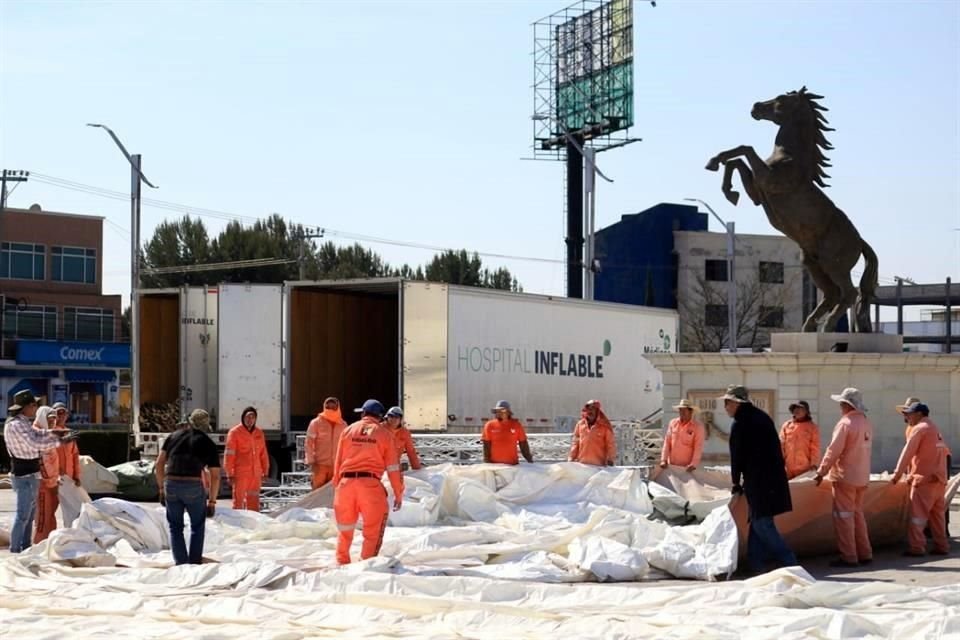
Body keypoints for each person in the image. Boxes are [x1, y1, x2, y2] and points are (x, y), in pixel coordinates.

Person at [724, 384, 797, 574]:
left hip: (758, 479)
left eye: (727, 403)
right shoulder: (762, 417)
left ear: (735, 403)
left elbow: (737, 456)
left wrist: (735, 482)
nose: (725, 407)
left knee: (761, 523)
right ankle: (755, 563)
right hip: (772, 477)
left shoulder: (740, 423)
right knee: (757, 519)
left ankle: (790, 561)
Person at [333, 399, 404, 565]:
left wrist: (338, 486)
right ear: (380, 417)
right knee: (373, 529)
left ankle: (341, 562)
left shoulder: (348, 430)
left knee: (345, 529)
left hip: (345, 485)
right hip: (370, 486)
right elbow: (393, 468)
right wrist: (398, 493)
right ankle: (366, 564)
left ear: (363, 413)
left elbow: (338, 461)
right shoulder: (384, 435)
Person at [814, 387, 874, 568]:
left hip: (845, 476)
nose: (840, 406)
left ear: (846, 405)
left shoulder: (845, 424)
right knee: (857, 515)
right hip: (862, 476)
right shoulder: (866, 423)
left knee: (844, 517)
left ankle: (849, 556)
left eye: (841, 403)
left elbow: (833, 450)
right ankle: (865, 553)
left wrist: (821, 472)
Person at [3, 391, 65, 553]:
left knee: (29, 515)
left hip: (31, 473)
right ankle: (15, 549)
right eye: (34, 405)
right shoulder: (15, 425)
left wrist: (56, 434)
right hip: (24, 474)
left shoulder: (22, 422)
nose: (36, 409)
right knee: (23, 514)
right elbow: (34, 443)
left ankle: (25, 547)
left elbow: (37, 434)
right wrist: (58, 440)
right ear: (27, 407)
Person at [155, 419, 221, 565]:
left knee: (175, 527)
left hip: (171, 484)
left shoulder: (173, 436)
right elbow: (215, 476)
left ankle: (181, 563)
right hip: (193, 485)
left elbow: (159, 463)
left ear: (189, 423)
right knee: (197, 526)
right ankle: (194, 562)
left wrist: (161, 489)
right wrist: (212, 501)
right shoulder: (208, 442)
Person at [891, 402, 950, 557]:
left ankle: (916, 547)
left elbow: (907, 452)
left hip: (924, 480)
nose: (906, 417)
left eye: (909, 414)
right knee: (937, 517)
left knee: (918, 516)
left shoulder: (919, 429)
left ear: (918, 414)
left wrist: (897, 475)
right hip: (939, 480)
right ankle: (942, 545)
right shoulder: (934, 428)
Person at [35, 405, 82, 542]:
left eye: (62, 414)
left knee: (71, 512)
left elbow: (75, 456)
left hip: (64, 481)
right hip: (49, 482)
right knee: (45, 515)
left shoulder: (67, 433)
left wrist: (76, 476)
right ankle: (40, 543)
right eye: (56, 414)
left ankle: (61, 541)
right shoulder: (40, 432)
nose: (59, 417)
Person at [224, 406, 269, 511]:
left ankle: (253, 523)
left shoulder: (259, 433)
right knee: (238, 501)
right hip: (241, 473)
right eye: (248, 417)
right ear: (243, 418)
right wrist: (229, 474)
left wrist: (265, 471)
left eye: (253, 417)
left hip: (255, 474)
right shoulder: (235, 432)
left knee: (254, 500)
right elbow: (229, 455)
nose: (250, 420)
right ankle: (238, 523)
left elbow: (263, 453)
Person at [305, 397, 348, 488]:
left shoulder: (343, 425)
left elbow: (347, 445)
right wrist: (311, 462)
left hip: (337, 467)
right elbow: (309, 443)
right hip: (320, 466)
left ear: (338, 407)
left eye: (333, 407)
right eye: (329, 407)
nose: (331, 409)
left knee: (334, 494)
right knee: (316, 495)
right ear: (324, 407)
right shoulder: (316, 423)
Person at [660, 399, 706, 472]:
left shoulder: (698, 427)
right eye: (680, 410)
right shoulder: (673, 423)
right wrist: (663, 459)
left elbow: (698, 447)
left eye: (684, 411)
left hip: (687, 468)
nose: (681, 413)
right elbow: (667, 442)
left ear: (691, 412)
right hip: (671, 466)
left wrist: (693, 464)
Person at [482, 400, 533, 465]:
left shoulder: (516, 425)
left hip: (513, 465)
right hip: (494, 465)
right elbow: (486, 445)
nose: (499, 413)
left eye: (502, 410)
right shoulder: (489, 425)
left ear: (508, 412)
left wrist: (530, 460)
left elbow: (523, 444)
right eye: (497, 411)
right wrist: (487, 463)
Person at [779, 400, 821, 480]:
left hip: (805, 469)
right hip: (787, 468)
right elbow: (781, 444)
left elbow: (815, 447)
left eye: (800, 408)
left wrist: (814, 464)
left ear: (806, 412)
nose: (797, 410)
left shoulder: (813, 427)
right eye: (795, 408)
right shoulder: (786, 425)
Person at [568, 399, 616, 466]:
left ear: (597, 411)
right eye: (588, 409)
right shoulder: (580, 424)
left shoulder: (604, 426)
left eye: (593, 409)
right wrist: (571, 457)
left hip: (599, 466)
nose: (590, 411)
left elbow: (610, 444)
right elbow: (575, 442)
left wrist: (610, 459)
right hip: (582, 464)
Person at [384, 406, 422, 471]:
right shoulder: (379, 429)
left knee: (404, 467)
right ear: (387, 417)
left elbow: (411, 452)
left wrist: (418, 470)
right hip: (378, 466)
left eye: (396, 417)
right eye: (391, 416)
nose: (393, 419)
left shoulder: (405, 433)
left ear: (400, 419)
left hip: (393, 467)